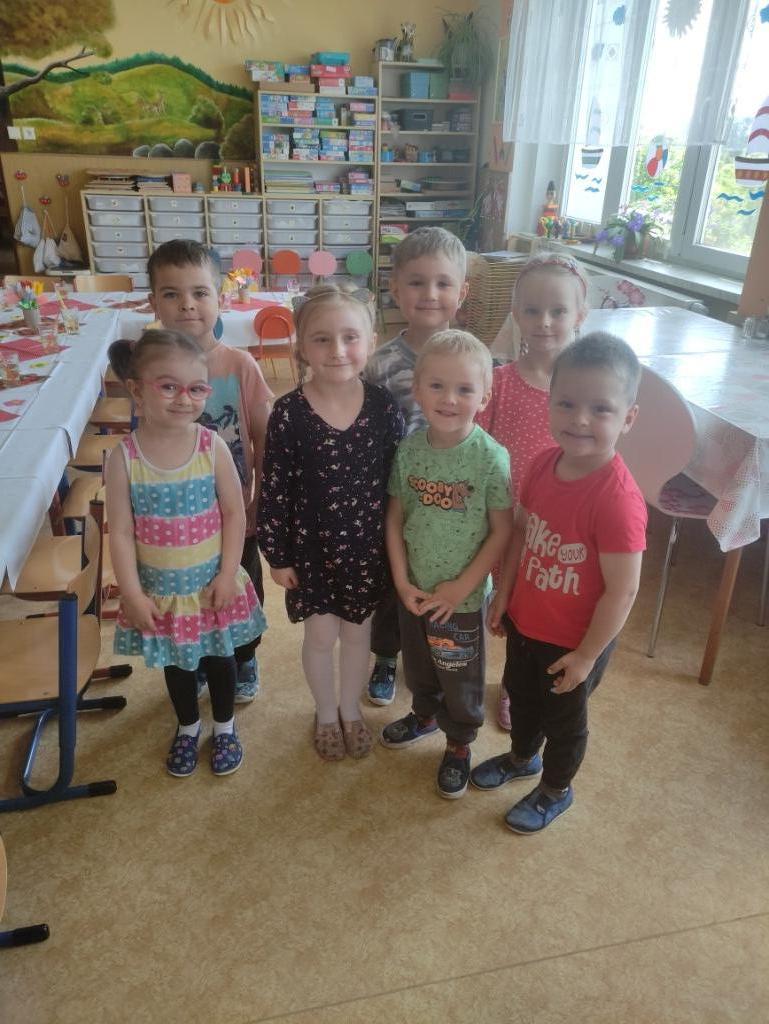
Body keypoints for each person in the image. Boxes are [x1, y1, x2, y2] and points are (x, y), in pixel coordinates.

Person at [471, 332, 647, 833]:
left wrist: (587, 655)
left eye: (600, 408)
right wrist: (504, 595)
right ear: (549, 402)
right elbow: (522, 533)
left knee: (564, 721)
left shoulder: (617, 500)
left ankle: (555, 789)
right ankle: (522, 757)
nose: (580, 419)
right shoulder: (543, 463)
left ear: (628, 418)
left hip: (575, 642)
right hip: (527, 621)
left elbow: (623, 590)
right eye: (566, 403)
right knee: (521, 696)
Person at [106, 329, 266, 777]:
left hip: (212, 586)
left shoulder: (211, 446)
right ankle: (188, 726)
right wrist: (132, 594)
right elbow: (120, 532)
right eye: (169, 386)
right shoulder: (124, 458)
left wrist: (228, 574)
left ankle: (225, 727)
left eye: (196, 389)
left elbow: (234, 514)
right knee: (177, 667)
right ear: (137, 390)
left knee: (221, 660)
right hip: (163, 595)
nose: (184, 399)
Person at [257, 284, 404, 761]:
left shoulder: (384, 406)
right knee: (320, 637)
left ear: (371, 341)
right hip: (311, 552)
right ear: (301, 346)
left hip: (366, 550)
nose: (337, 350)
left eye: (350, 337)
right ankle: (325, 713)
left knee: (358, 634)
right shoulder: (287, 413)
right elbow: (274, 487)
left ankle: (350, 709)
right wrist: (277, 556)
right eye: (322, 339)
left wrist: (398, 549)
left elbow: (397, 485)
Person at [381, 330, 513, 799]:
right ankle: (424, 715)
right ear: (417, 389)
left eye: (464, 389)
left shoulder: (491, 459)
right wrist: (401, 580)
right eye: (436, 386)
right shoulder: (409, 450)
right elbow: (394, 518)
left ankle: (459, 742)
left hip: (462, 599)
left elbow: (502, 531)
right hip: (415, 589)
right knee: (418, 663)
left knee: (460, 675)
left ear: (484, 397)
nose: (449, 399)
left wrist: (461, 588)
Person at [147, 239, 273, 702]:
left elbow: (264, 438)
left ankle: (244, 656)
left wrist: (259, 499)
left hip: (236, 515)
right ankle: (201, 658)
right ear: (153, 301)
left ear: (220, 298)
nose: (187, 304)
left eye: (199, 292)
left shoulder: (239, 365)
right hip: (177, 522)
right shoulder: (149, 368)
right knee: (187, 595)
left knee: (241, 588)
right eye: (172, 293)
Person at [477, 252, 589, 729]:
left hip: (556, 525)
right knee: (502, 606)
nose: (544, 322)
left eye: (558, 311)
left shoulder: (584, 390)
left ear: (580, 315)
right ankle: (500, 679)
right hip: (504, 521)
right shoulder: (498, 382)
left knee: (541, 607)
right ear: (516, 314)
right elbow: (476, 448)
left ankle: (518, 683)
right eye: (532, 310)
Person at [363, 227, 469, 707]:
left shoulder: (473, 359)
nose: (430, 294)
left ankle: (437, 659)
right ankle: (387, 656)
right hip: (397, 496)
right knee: (393, 579)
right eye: (416, 282)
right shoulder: (380, 363)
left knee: (445, 576)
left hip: (454, 499)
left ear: (461, 292)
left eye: (443, 283)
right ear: (394, 288)